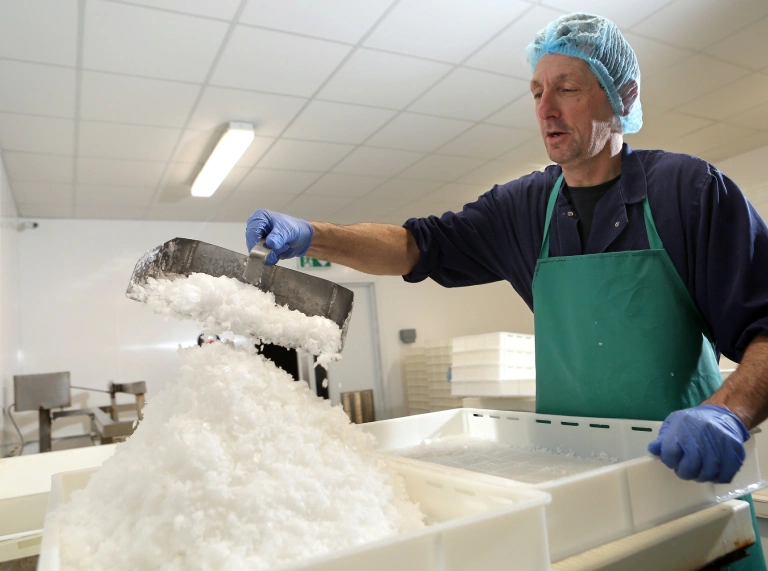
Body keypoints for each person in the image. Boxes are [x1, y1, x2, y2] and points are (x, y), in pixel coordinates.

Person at [245, 13, 768, 569]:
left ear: (623, 95)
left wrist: (727, 414)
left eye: (567, 89)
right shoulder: (521, 209)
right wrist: (312, 236)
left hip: (685, 482)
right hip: (580, 491)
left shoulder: (687, 191)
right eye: (537, 92)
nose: (545, 109)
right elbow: (416, 246)